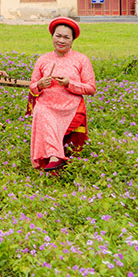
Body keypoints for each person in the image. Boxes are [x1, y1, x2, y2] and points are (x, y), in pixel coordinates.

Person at [28, 17, 96, 171]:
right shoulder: (43, 60)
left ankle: (56, 157)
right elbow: (32, 88)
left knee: (52, 118)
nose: (61, 40)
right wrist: (39, 85)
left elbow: (91, 88)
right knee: (42, 111)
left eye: (66, 37)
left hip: (70, 107)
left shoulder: (81, 60)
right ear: (52, 36)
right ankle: (54, 157)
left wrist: (69, 84)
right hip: (47, 105)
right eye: (58, 36)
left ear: (72, 41)